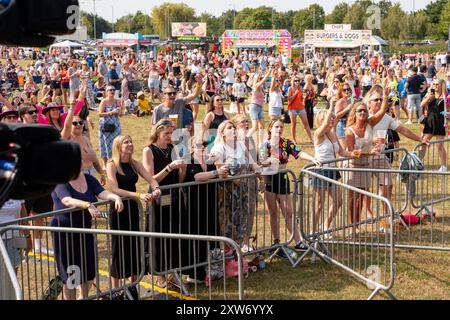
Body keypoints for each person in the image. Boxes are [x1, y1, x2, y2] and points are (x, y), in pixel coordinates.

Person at [51, 169, 123, 300]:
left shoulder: (88, 178)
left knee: (89, 271)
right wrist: (86, 204)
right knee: (71, 274)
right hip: (65, 235)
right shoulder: (61, 180)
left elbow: (102, 192)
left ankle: (82, 297)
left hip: (85, 232)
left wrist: (115, 197)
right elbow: (67, 200)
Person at [106, 135, 161, 300]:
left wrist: (156, 188)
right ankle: (115, 290)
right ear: (118, 146)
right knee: (119, 247)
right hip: (119, 208)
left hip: (132, 208)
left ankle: (132, 286)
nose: (130, 144)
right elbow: (114, 189)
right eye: (126, 142)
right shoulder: (112, 165)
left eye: (131, 141)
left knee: (133, 246)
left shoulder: (134, 163)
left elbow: (150, 178)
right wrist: (137, 194)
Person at [260, 119, 320, 251]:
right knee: (273, 212)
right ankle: (276, 242)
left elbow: (299, 152)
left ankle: (299, 241)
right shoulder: (265, 145)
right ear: (270, 129)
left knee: (288, 211)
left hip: (283, 178)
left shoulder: (287, 143)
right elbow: (262, 161)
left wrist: (312, 158)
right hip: (268, 179)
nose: (279, 129)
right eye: (276, 127)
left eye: (281, 127)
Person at [142, 118, 187, 289]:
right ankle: (159, 275)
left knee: (175, 234)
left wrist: (181, 169)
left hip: (174, 197)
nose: (169, 136)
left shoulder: (173, 149)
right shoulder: (149, 150)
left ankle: (173, 272)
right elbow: (150, 178)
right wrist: (169, 167)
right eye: (166, 133)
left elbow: (180, 179)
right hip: (158, 198)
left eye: (171, 133)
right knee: (159, 235)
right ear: (158, 133)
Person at [209, 120, 262, 249]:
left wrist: (262, 178)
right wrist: (234, 179)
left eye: (234, 127)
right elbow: (220, 170)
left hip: (243, 190)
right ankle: (227, 251)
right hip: (227, 191)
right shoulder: (218, 148)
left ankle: (241, 247)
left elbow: (253, 164)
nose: (233, 129)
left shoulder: (240, 145)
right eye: (229, 128)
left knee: (243, 217)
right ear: (222, 133)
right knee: (227, 220)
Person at [183, 137, 224, 283]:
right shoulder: (188, 160)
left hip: (211, 204)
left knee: (212, 235)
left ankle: (213, 270)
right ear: (192, 148)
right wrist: (217, 173)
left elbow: (218, 176)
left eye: (205, 145)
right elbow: (196, 177)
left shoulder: (210, 161)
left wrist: (220, 170)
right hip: (194, 206)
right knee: (197, 237)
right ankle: (195, 273)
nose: (202, 148)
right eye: (199, 145)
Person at [312, 107, 357, 236]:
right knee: (319, 204)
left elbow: (341, 152)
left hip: (332, 170)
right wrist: (331, 105)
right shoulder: (318, 134)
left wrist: (355, 154)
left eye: (332, 117)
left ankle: (325, 226)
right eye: (329, 117)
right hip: (321, 171)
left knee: (338, 201)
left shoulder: (332, 134)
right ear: (322, 120)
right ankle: (313, 232)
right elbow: (326, 124)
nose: (332, 119)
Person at [345, 103, 379, 235]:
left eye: (365, 110)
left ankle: (357, 225)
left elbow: (381, 112)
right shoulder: (349, 130)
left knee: (361, 197)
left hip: (366, 166)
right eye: (360, 111)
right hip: (353, 166)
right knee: (353, 198)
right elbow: (352, 151)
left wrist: (386, 97)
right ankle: (351, 227)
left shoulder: (369, 125)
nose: (363, 113)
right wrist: (370, 152)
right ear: (355, 112)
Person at [61, 87, 106, 184]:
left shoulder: (85, 138)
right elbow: (67, 126)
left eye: (80, 123)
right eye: (75, 123)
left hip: (91, 173)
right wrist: (72, 108)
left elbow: (94, 159)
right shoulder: (67, 138)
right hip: (76, 176)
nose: (78, 125)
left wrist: (101, 174)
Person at [420, 79, 447, 172]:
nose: (435, 85)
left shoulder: (445, 96)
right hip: (429, 122)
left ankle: (444, 166)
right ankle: (418, 163)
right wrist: (428, 97)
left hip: (440, 123)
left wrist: (447, 114)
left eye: (437, 84)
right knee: (423, 143)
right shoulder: (429, 94)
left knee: (440, 146)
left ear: (441, 85)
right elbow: (421, 104)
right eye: (434, 84)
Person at [0, 199, 30, 275]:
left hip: (15, 236)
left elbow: (23, 216)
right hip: (1, 239)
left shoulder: (16, 189)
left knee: (13, 273)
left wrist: (28, 237)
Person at [98, 86, 122, 168]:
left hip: (116, 126)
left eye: (113, 90)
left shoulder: (117, 101)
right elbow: (100, 114)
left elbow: (120, 115)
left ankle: (116, 162)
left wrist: (120, 110)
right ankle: (105, 164)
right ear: (106, 92)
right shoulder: (104, 101)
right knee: (105, 144)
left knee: (117, 144)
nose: (112, 91)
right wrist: (111, 112)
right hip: (106, 127)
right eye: (110, 90)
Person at [248, 69, 270, 148]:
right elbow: (264, 80)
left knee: (262, 126)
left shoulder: (260, 88)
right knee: (255, 127)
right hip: (254, 107)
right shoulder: (255, 86)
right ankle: (245, 139)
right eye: (259, 78)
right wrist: (269, 71)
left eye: (260, 78)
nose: (260, 79)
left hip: (260, 107)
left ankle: (260, 143)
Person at [287, 76, 311, 143]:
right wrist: (295, 93)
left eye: (298, 81)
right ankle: (294, 140)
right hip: (292, 108)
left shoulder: (301, 88)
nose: (297, 82)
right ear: (293, 81)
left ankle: (311, 139)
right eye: (295, 80)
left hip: (300, 108)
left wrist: (304, 99)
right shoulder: (290, 89)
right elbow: (289, 99)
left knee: (306, 123)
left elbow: (302, 98)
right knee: (293, 124)